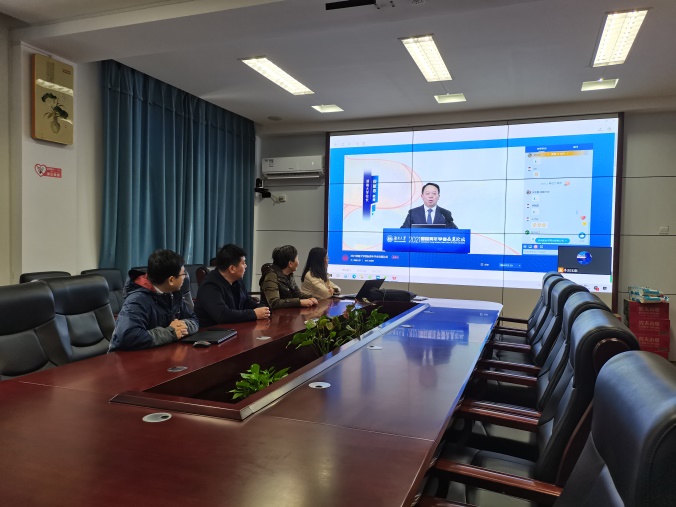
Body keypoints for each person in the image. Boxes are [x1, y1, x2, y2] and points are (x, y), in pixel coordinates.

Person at [109, 249, 199, 351]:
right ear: (171, 280)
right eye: (183, 274)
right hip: (129, 357)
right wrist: (170, 332)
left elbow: (194, 319)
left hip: (160, 352)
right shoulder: (137, 300)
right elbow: (128, 336)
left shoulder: (173, 294)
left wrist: (183, 326)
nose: (185, 277)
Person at [195, 244, 270, 326]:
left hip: (233, 328)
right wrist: (254, 314)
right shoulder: (210, 286)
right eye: (243, 263)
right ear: (232, 268)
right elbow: (223, 315)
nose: (246, 266)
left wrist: (263, 309)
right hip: (211, 331)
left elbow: (247, 302)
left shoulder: (237, 280)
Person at [259, 245, 318, 309]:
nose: (298, 262)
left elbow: (297, 294)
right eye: (297, 259)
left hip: (286, 312)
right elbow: (274, 303)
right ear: (290, 264)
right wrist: (299, 302)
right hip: (271, 314)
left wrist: (310, 298)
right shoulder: (271, 276)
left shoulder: (289, 275)